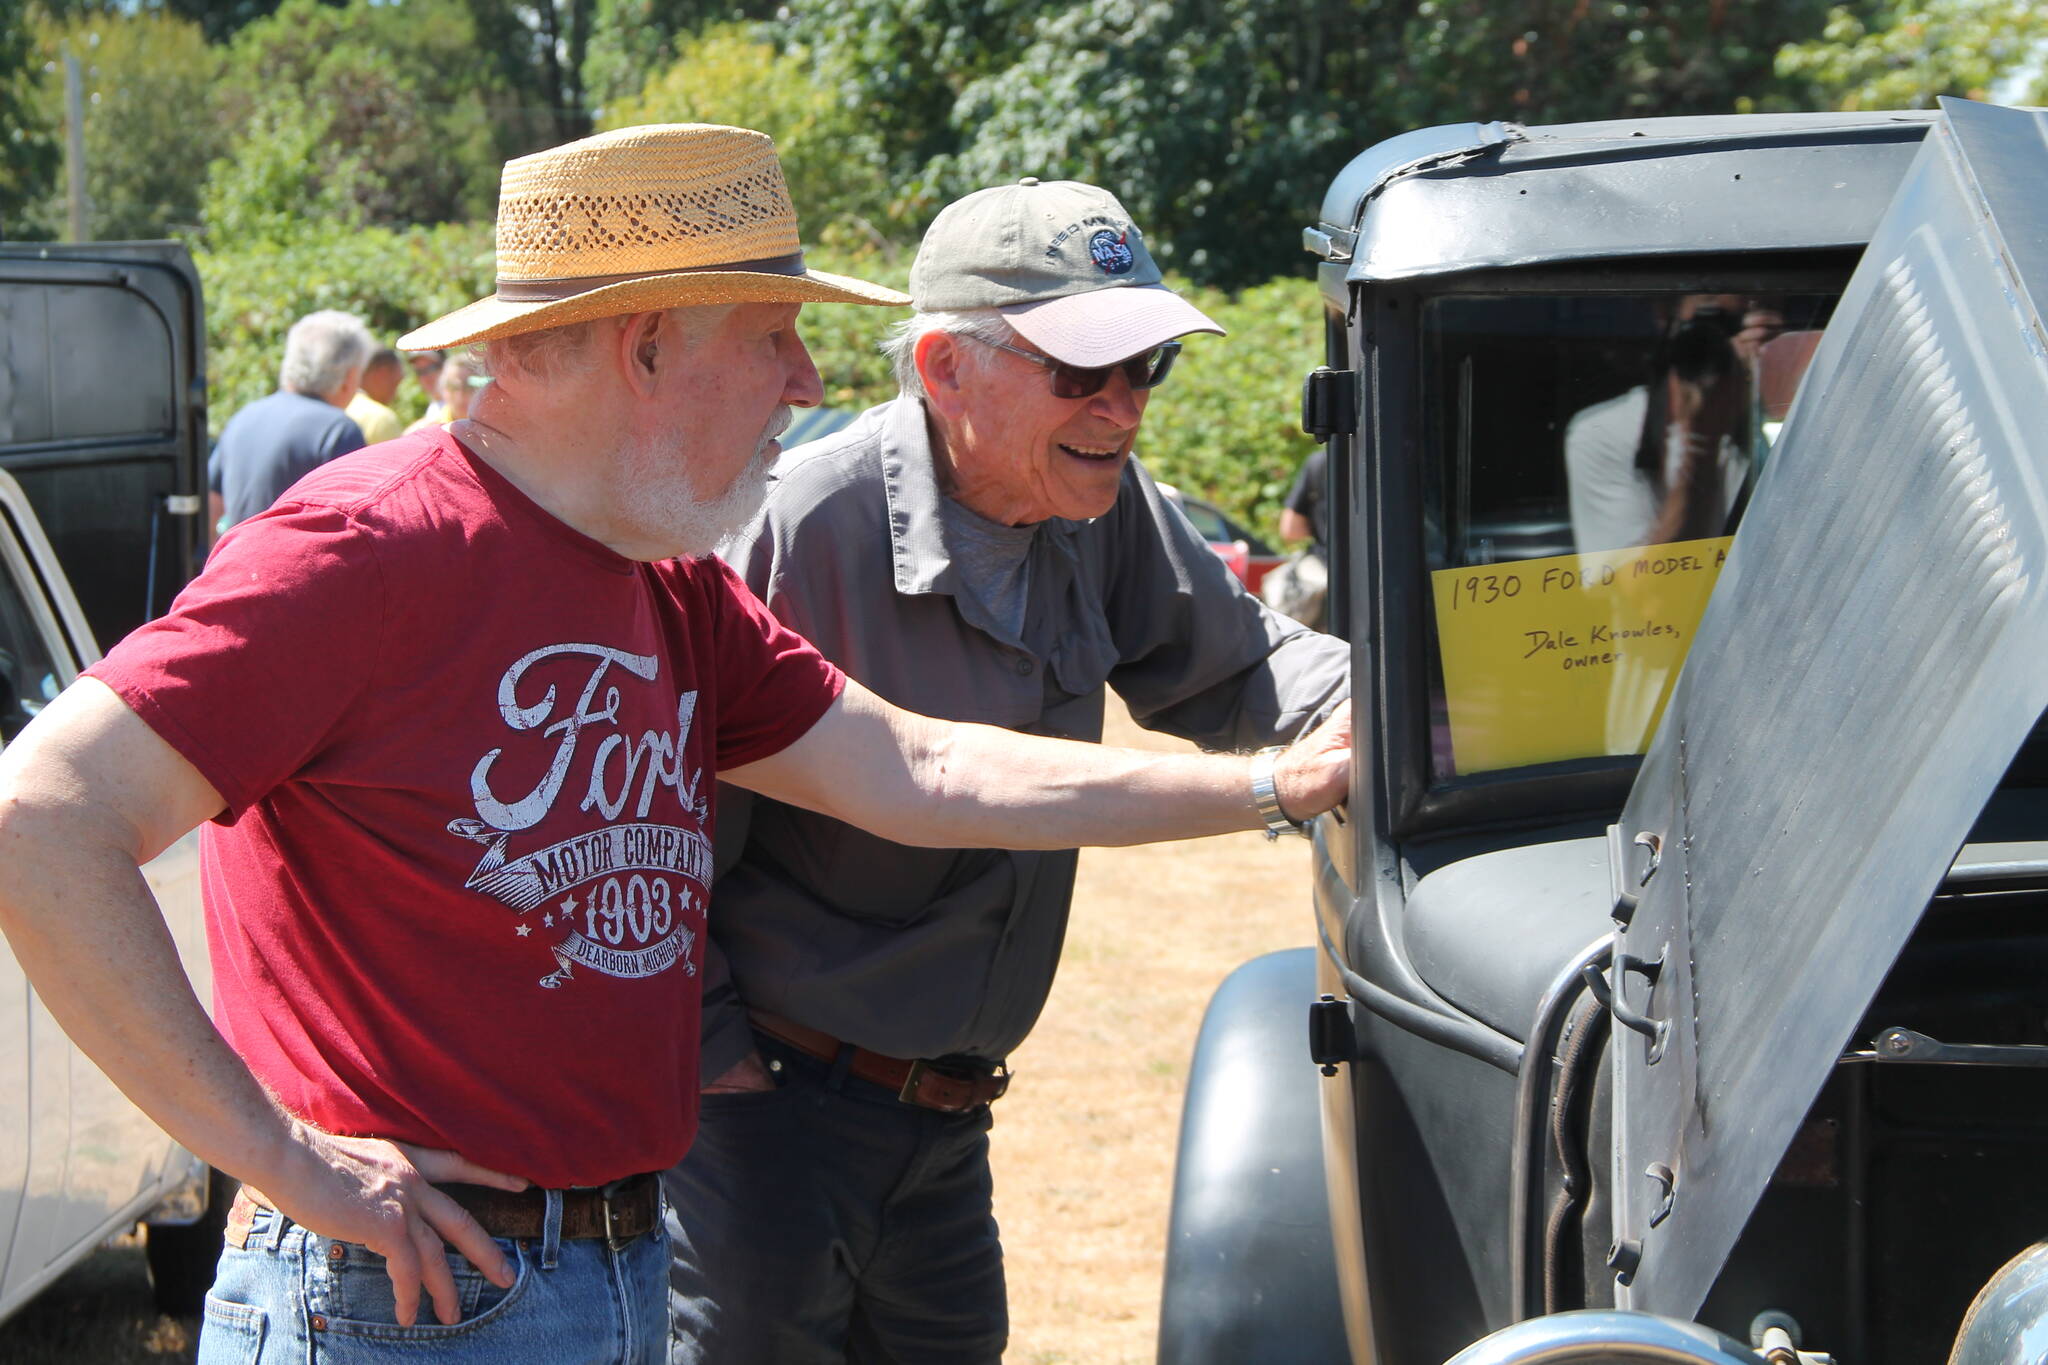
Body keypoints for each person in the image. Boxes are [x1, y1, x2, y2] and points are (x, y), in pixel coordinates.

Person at [0, 126, 1352, 1365]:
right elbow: (45, 813)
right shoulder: (367, 545)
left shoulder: (663, 577)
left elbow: (920, 770)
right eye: (774, 336)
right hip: (400, 1300)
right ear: (646, 348)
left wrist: (1272, 784)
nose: (809, 381)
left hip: (607, 1269)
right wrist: (285, 1162)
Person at [665, 177, 1351, 1364]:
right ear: (942, 369)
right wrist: (725, 1077)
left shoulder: (1098, 504)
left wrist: (1426, 717)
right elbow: (663, 852)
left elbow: (1245, 670)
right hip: (766, 1129)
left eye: (1146, 370)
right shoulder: (795, 533)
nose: (1124, 410)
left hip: (945, 1124)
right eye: (1081, 373)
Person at [206, 309, 372, 531]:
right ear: (349, 376)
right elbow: (354, 524)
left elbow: (212, 503)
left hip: (238, 561)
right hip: (300, 564)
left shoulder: (244, 417)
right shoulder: (338, 430)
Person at [346, 347, 408, 445]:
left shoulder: (337, 406)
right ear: (382, 374)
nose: (396, 396)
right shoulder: (382, 419)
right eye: (396, 383)